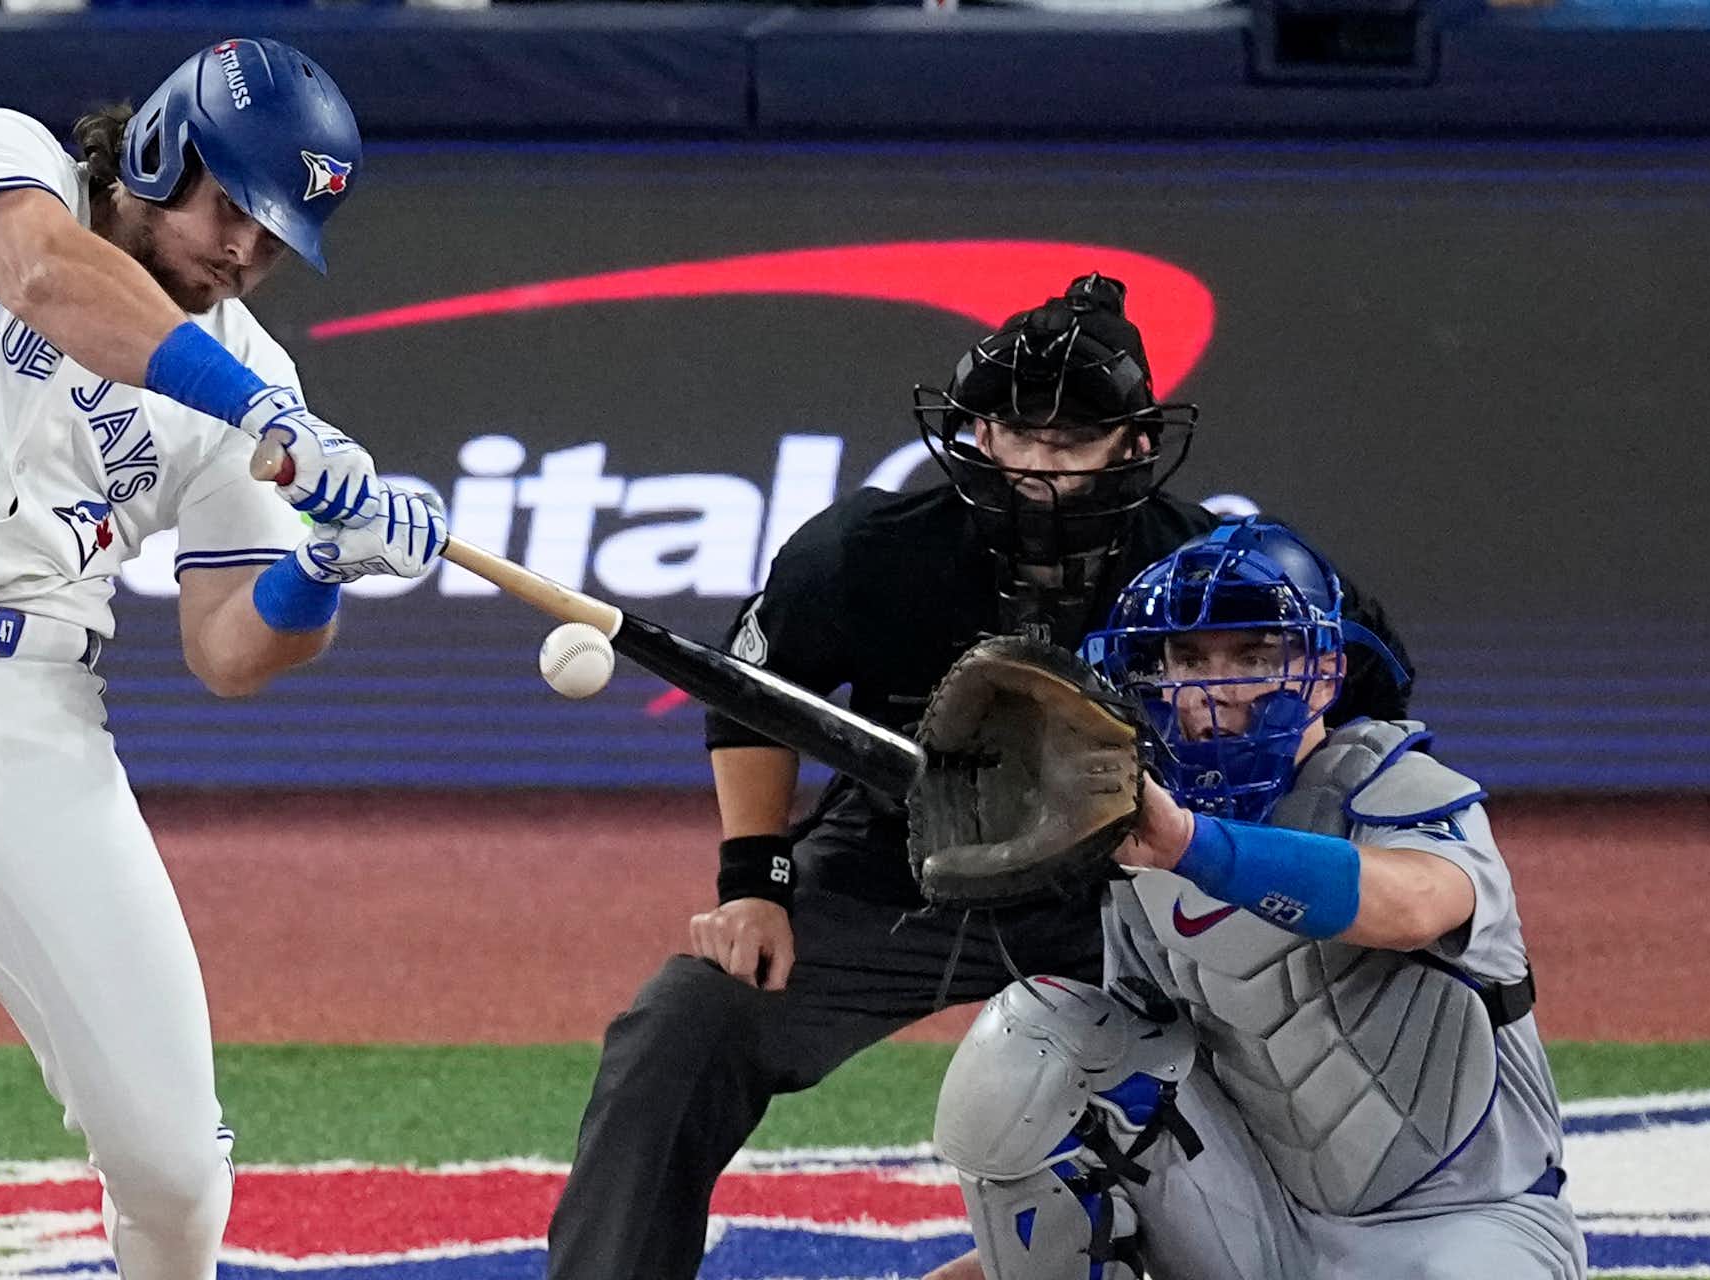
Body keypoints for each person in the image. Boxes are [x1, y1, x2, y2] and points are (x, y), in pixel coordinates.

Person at [0, 39, 448, 1279]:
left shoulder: (253, 369)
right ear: (160, 149)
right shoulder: (0, 157)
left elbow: (230, 646)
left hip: (42, 724)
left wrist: (321, 566)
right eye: (231, 208)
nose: (244, 252)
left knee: (176, 1165)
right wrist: (260, 414)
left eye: (276, 237)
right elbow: (51, 275)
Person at [543, 275, 1413, 1278]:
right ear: (975, 432)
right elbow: (754, 696)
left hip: (1134, 890)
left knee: (1296, 1065)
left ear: (1133, 442)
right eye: (1015, 433)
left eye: (1070, 439)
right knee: (687, 1021)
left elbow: (1362, 687)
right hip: (900, 863)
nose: (1036, 465)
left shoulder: (1206, 569)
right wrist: (754, 884)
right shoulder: (868, 551)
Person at [923, 518, 1581, 1280]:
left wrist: (1191, 846)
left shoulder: (1401, 790)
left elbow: (1414, 909)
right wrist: (1013, 1261)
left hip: (1467, 1225)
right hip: (1262, 1229)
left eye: (1254, 657)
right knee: (1042, 1040)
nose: (1215, 688)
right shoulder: (1140, 847)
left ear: (1326, 673)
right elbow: (1129, 1108)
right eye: (1189, 658)